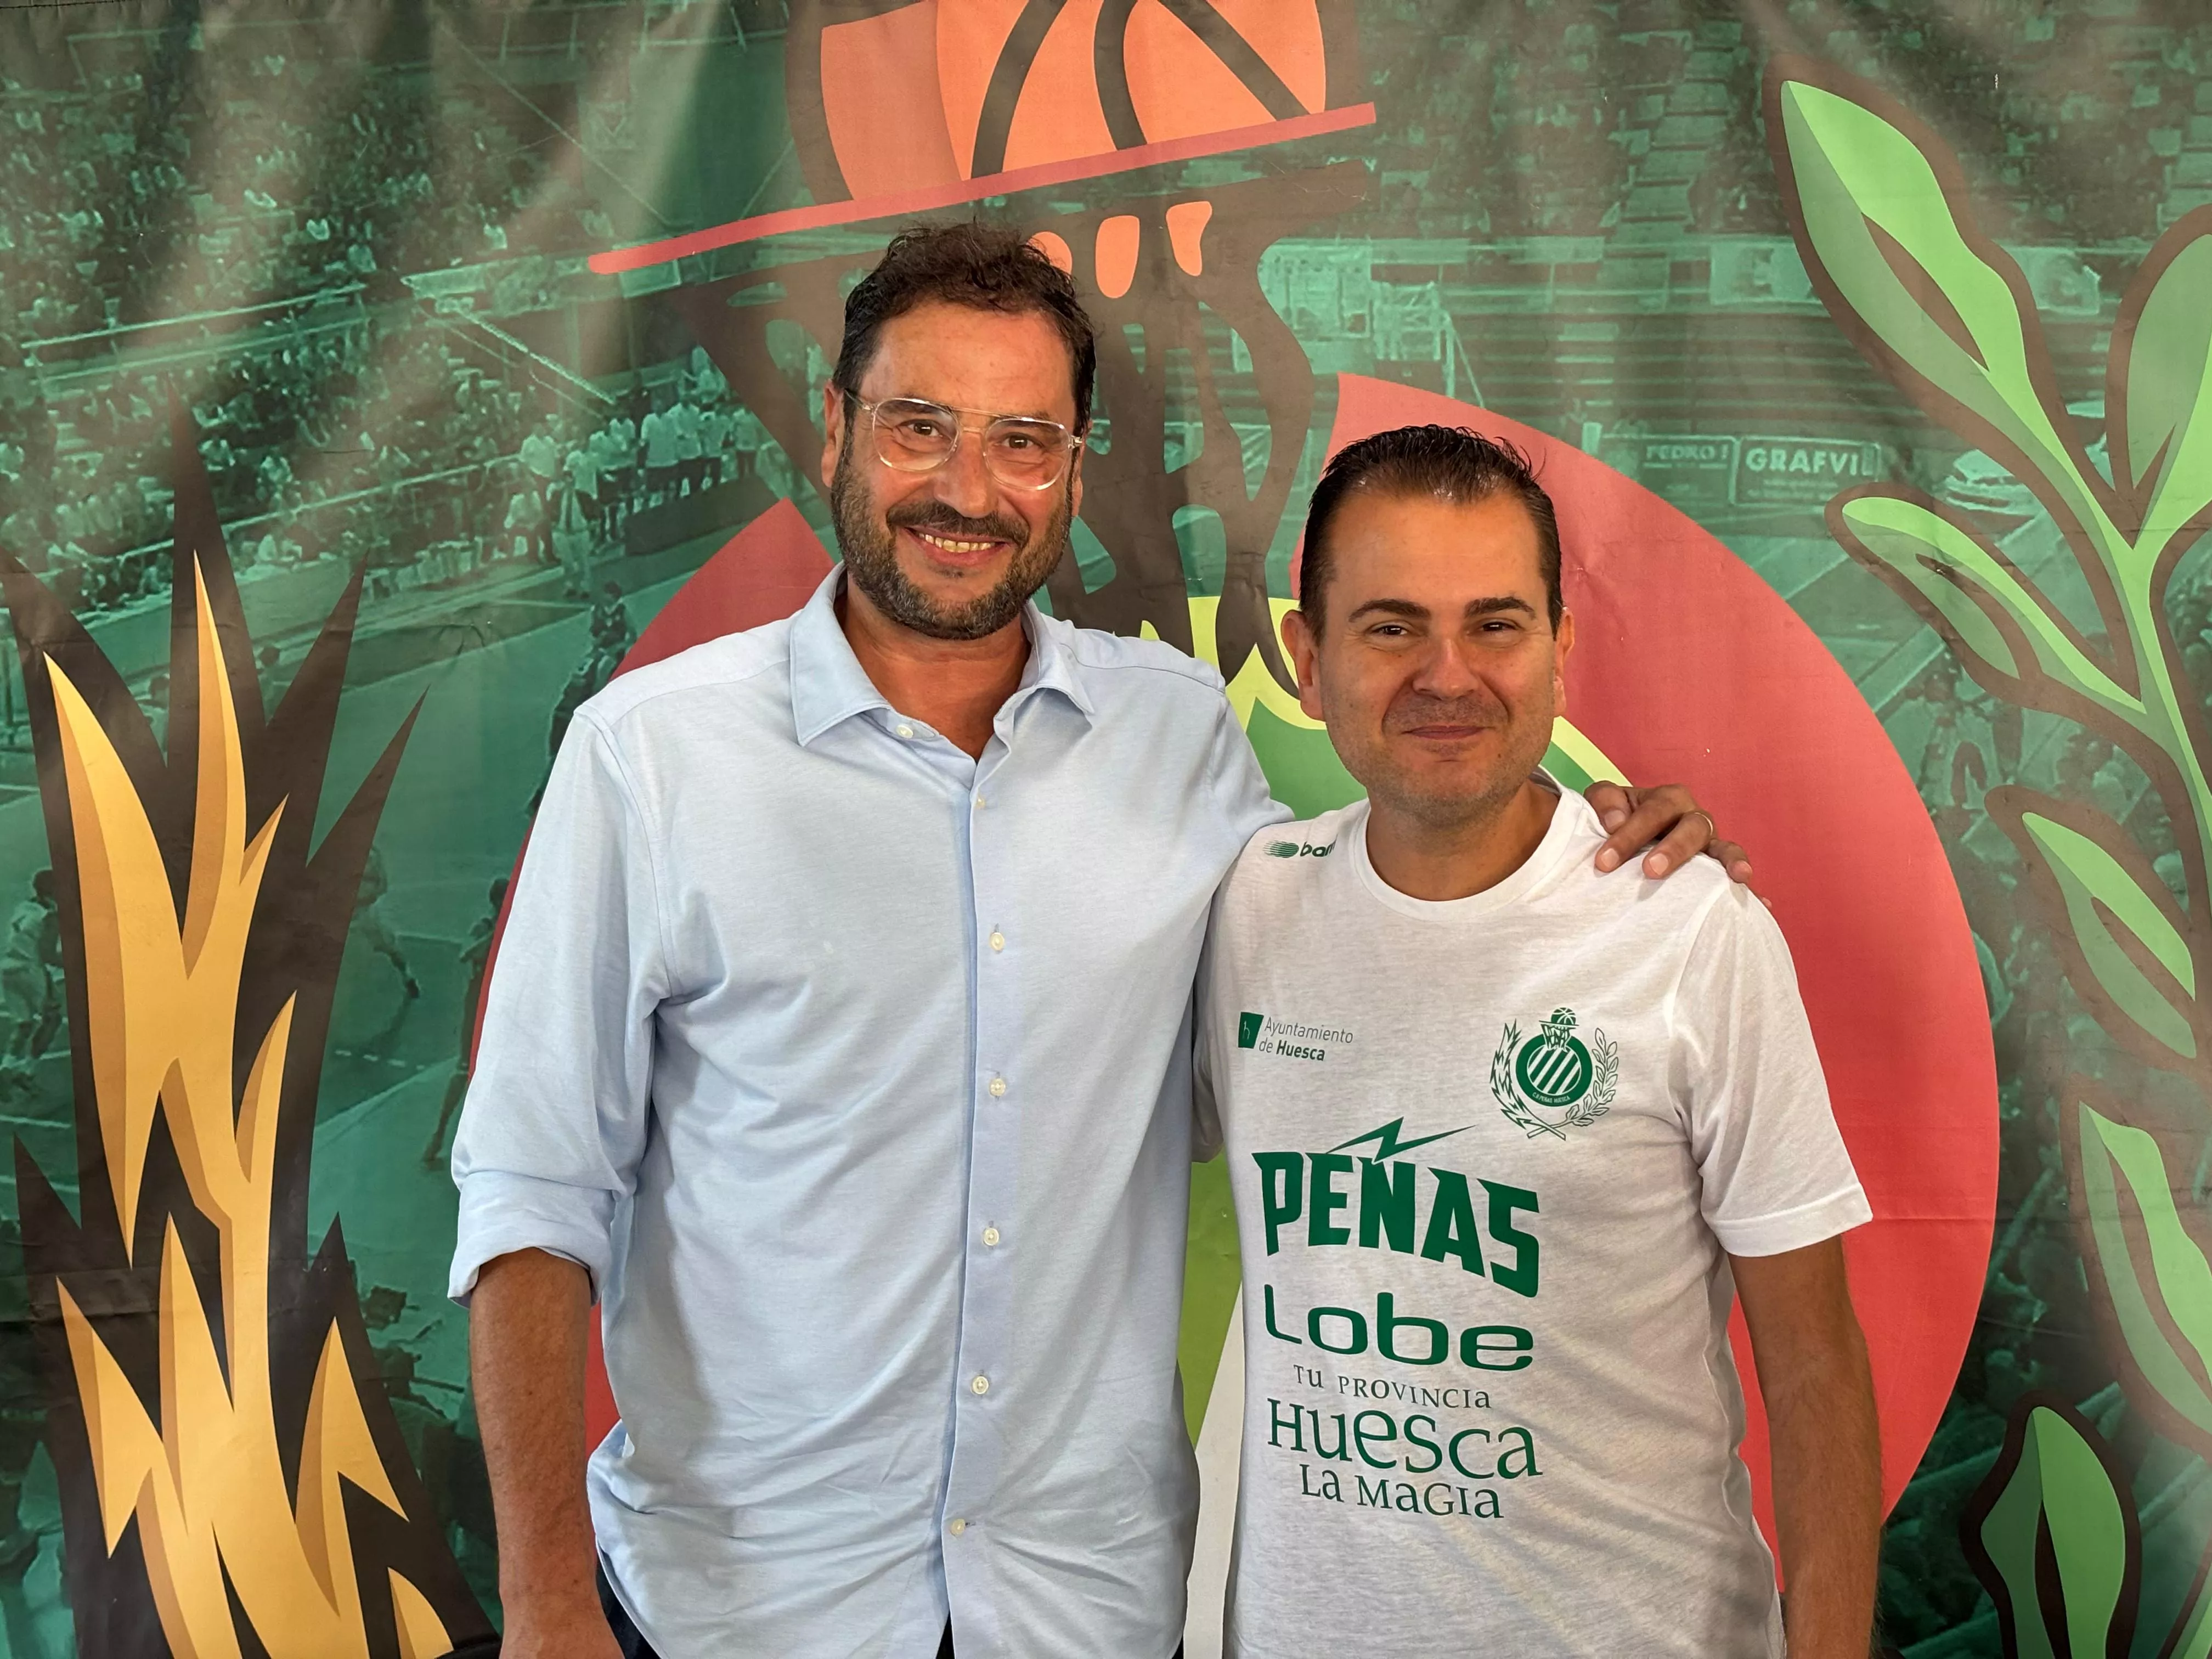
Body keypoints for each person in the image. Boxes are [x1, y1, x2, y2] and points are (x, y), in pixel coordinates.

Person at [451, 225, 1740, 1659]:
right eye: (919, 427)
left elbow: (1355, 984)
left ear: (1072, 468)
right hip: (726, 1618)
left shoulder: (1179, 736)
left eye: (1022, 440)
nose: (965, 489)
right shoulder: (651, 755)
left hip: (1083, 1613)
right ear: (836, 429)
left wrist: (1575, 851)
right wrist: (545, 1609)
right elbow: (532, 1193)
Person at [1194, 426, 1878, 1658]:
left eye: (1497, 625)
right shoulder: (1249, 905)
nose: (1448, 675)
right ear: (1307, 657)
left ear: (1562, 649)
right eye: (1391, 625)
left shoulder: (1691, 931)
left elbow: (1817, 1365)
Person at [423, 876, 509, 1169]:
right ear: (498, 903)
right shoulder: (486, 927)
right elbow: (465, 953)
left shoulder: (518, 927)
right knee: (463, 1070)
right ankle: (439, 1133)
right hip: (478, 1005)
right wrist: (497, 933)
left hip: (505, 1006)